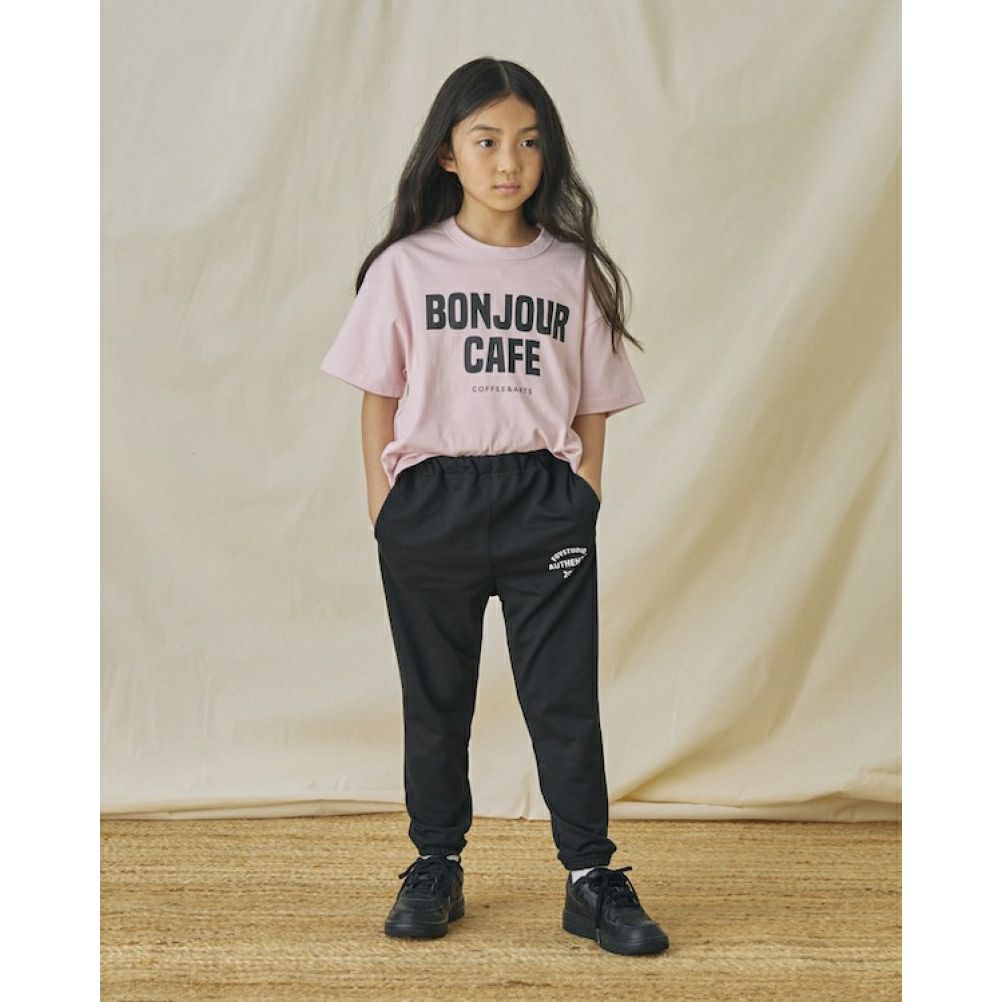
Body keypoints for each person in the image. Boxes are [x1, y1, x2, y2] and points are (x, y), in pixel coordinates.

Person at [320, 57, 670, 957]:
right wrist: (384, 505)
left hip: (541, 502)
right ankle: (435, 862)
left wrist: (582, 493)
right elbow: (377, 395)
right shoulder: (406, 266)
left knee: (563, 697)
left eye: (528, 142)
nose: (508, 161)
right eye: (486, 141)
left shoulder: (572, 271)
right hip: (431, 500)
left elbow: (594, 399)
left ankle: (590, 878)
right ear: (447, 153)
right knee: (436, 698)